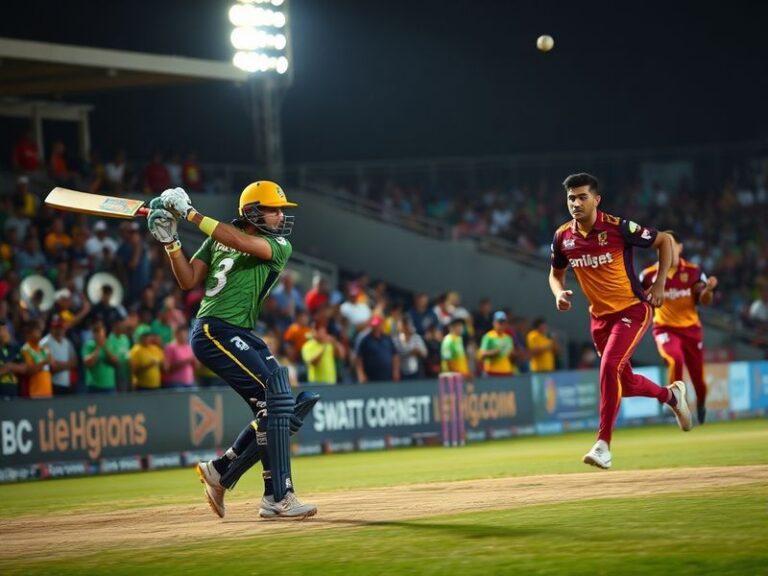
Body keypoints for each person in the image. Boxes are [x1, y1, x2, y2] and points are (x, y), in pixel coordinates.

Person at [147, 181, 317, 520]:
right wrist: (171, 243)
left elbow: (239, 241)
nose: (280, 215)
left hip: (239, 331)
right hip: (213, 329)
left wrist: (190, 214)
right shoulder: (217, 238)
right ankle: (279, 496)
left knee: (278, 405)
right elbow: (188, 279)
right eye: (273, 209)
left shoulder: (278, 245)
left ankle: (221, 471)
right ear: (252, 211)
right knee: (277, 399)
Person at [548, 172, 692, 470]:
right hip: (599, 319)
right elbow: (555, 274)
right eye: (571, 198)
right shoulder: (563, 237)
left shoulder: (618, 227)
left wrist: (660, 283)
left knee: (609, 367)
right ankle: (671, 396)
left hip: (632, 310)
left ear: (596, 199)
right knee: (624, 383)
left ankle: (603, 445)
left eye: (582, 197)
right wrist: (559, 293)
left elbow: (664, 240)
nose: (576, 203)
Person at [639, 231, 719, 424]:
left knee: (698, 379)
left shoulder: (694, 271)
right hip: (664, 328)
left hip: (691, 330)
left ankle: (701, 403)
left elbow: (704, 301)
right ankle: (673, 401)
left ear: (680, 247)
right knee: (675, 357)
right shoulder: (648, 275)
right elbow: (639, 302)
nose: (665, 249)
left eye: (670, 245)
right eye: (661, 246)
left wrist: (708, 290)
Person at [477, 311, 516, 376]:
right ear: (494, 323)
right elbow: (481, 354)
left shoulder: (508, 338)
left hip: (507, 371)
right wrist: (494, 352)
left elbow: (511, 355)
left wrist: (514, 355)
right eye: (500, 322)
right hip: (492, 372)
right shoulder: (488, 336)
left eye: (504, 322)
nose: (502, 325)